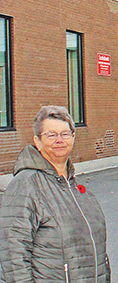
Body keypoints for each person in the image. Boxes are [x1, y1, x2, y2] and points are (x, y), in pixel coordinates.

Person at [0, 106, 110, 282]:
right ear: (37, 141)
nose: (59, 140)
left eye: (65, 134)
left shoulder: (77, 189)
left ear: (73, 137)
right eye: (51, 135)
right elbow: (12, 256)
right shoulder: (26, 186)